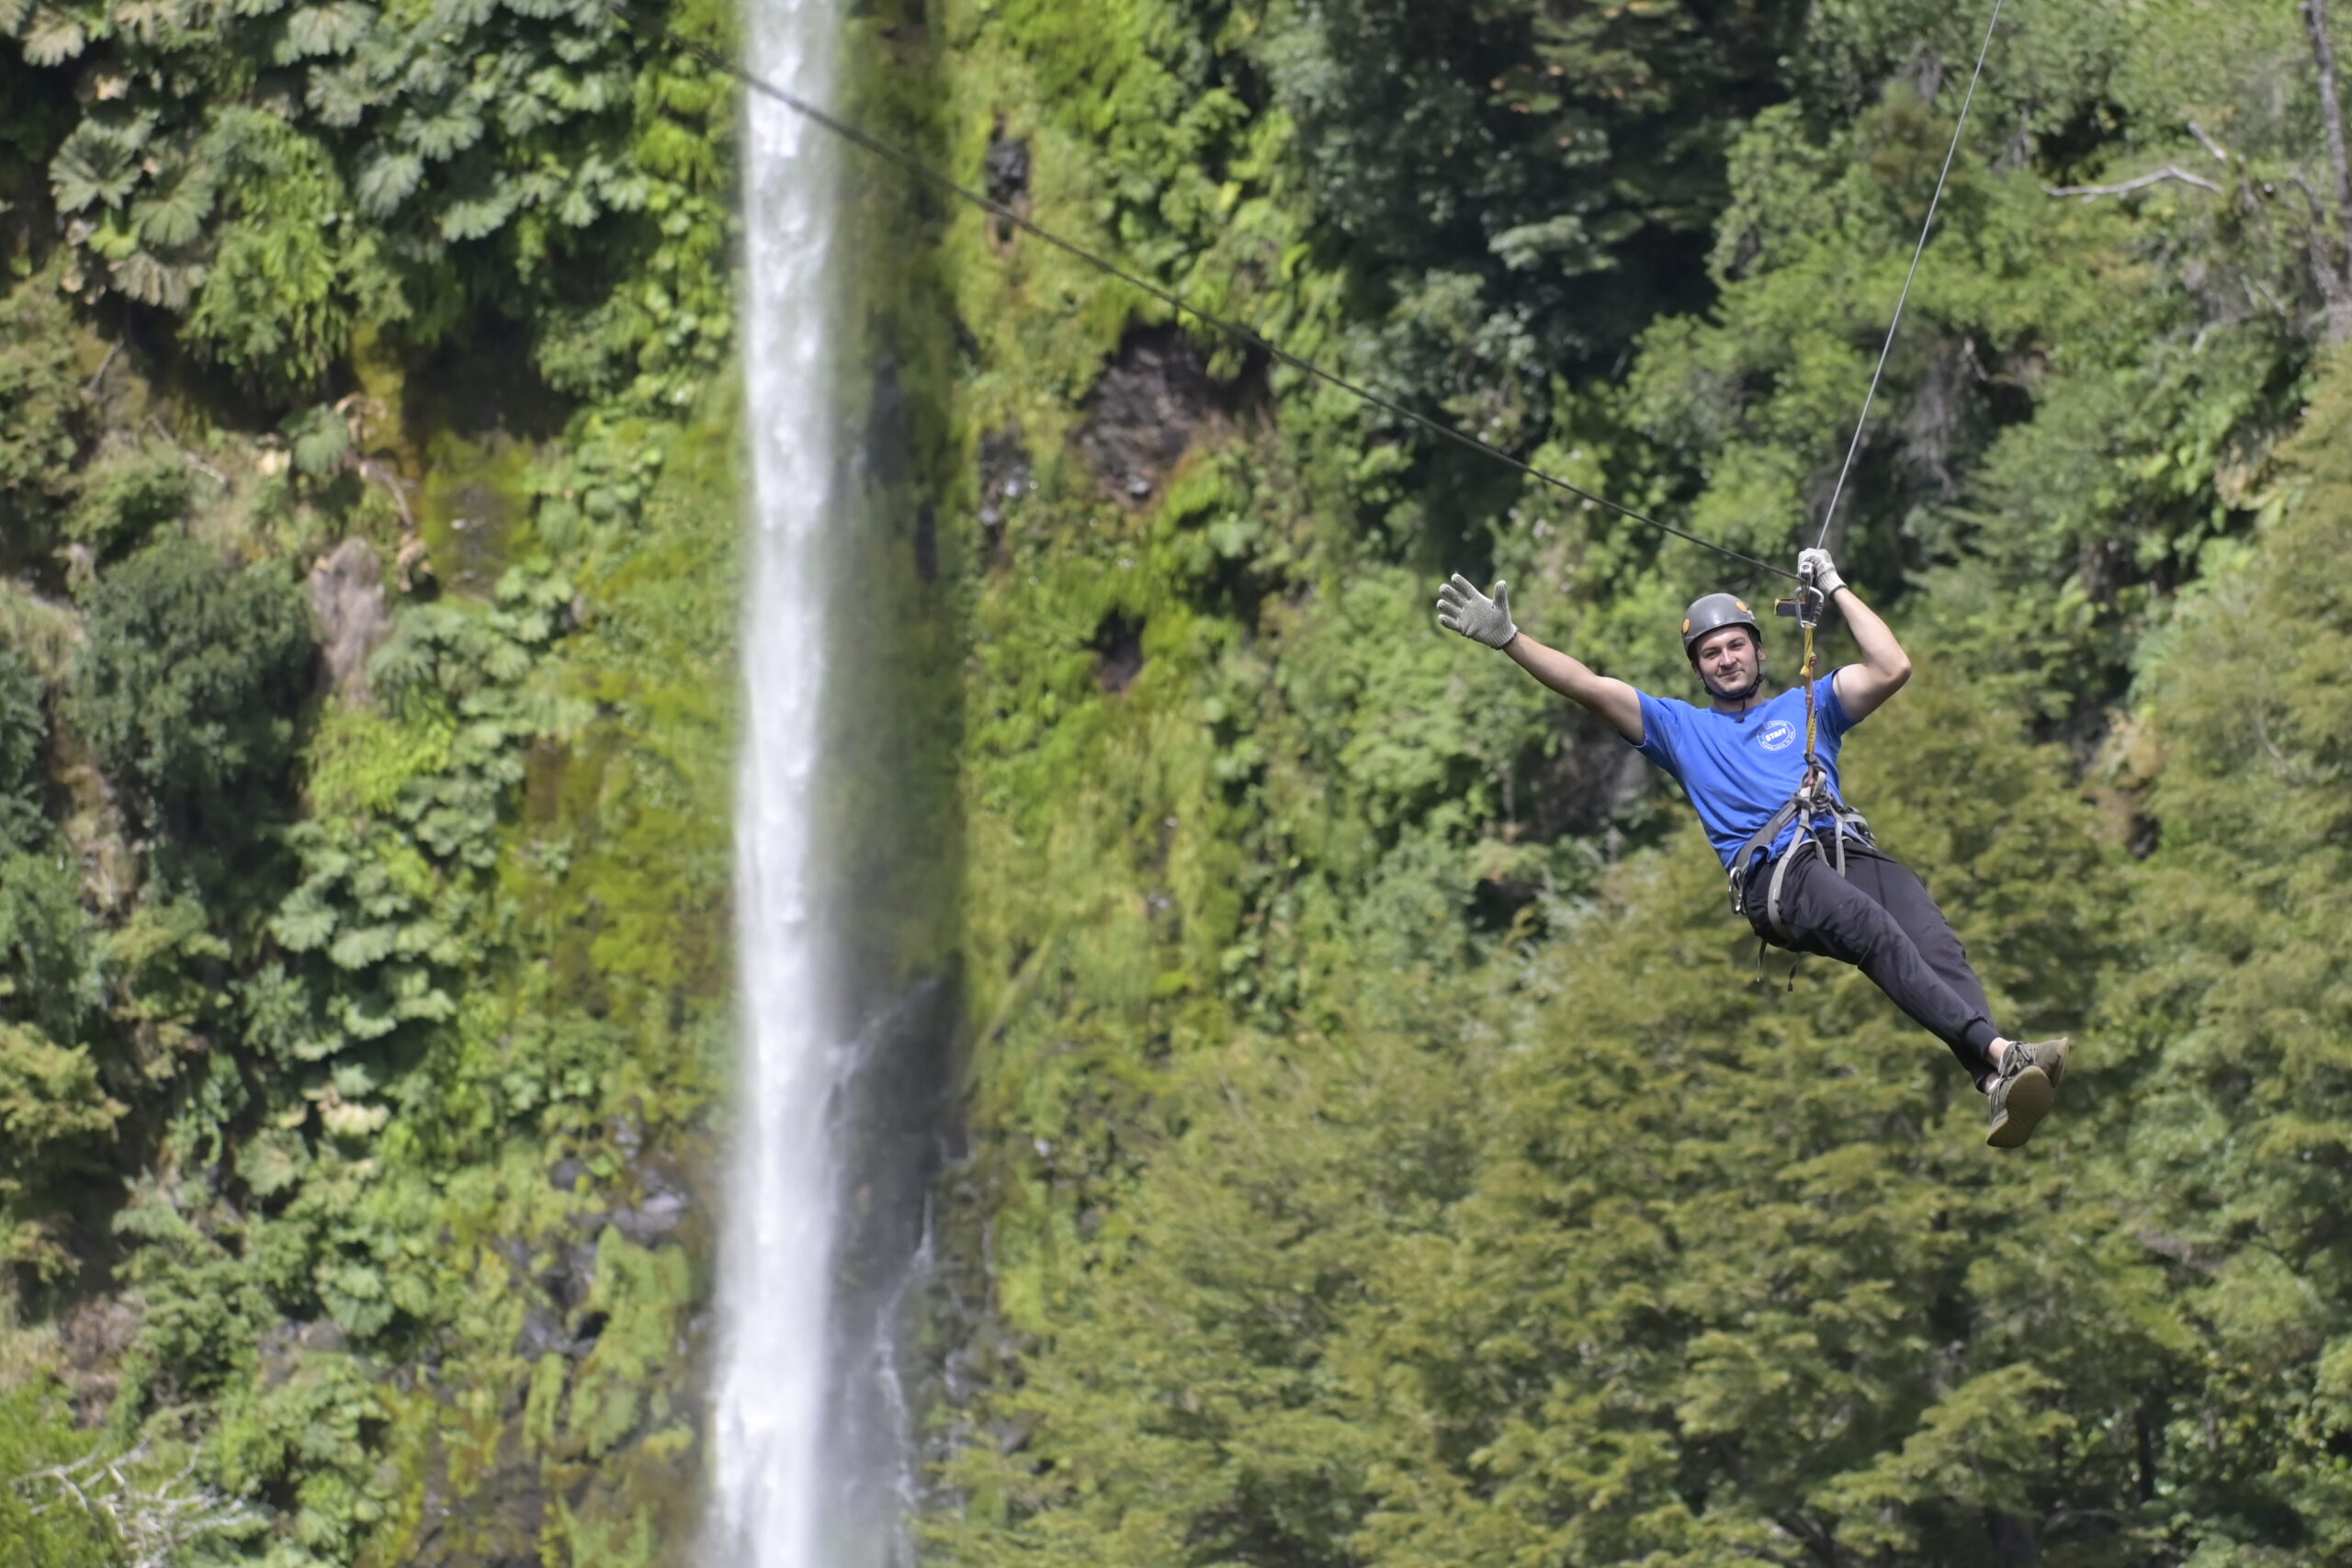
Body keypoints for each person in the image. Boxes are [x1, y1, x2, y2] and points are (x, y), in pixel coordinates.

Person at [1435, 547, 2070, 1148]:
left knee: (1931, 936)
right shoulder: (1680, 728)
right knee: (1868, 926)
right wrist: (1512, 641)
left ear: (1760, 649)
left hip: (1842, 845)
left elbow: (1893, 666)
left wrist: (1836, 586)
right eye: (1710, 652)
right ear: (1697, 668)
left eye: (1737, 644)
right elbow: (1588, 684)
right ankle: (2001, 1053)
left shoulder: (1811, 703)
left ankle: (1995, 1077)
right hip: (1778, 877)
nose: (1727, 658)